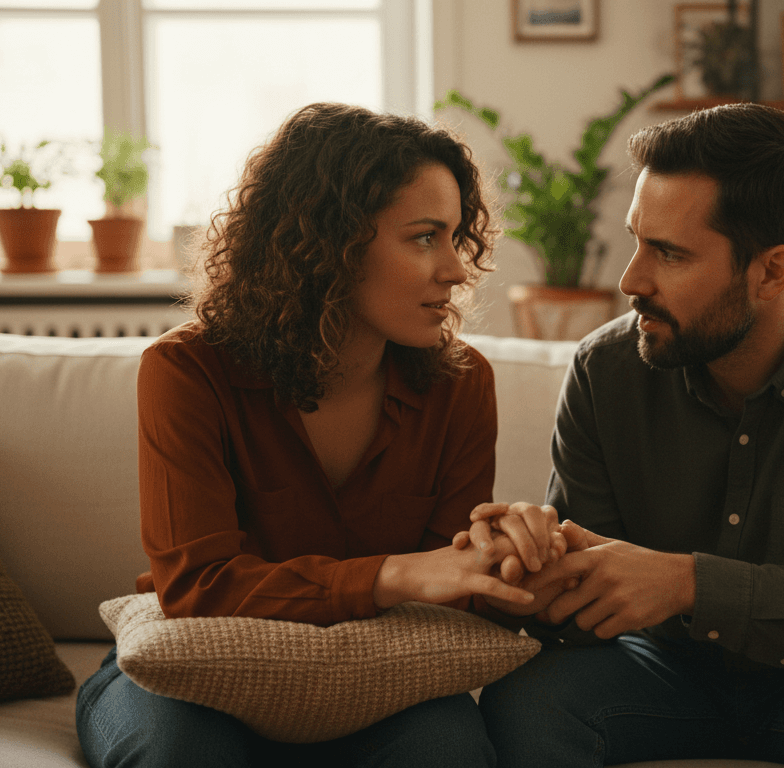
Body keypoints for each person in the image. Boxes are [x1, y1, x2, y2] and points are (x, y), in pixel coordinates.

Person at [474, 103, 784, 767]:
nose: (630, 281)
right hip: (663, 670)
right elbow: (581, 608)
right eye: (636, 240)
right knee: (528, 702)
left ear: (772, 271)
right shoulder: (606, 370)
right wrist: (534, 577)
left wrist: (690, 584)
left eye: (670, 254)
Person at [75, 103, 561, 768]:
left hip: (377, 677)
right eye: (424, 237)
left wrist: (513, 560)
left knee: (445, 751)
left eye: (456, 236)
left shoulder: (461, 382)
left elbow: (449, 591)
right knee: (181, 755)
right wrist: (393, 575)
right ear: (328, 244)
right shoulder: (187, 371)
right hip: (196, 676)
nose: (455, 268)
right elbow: (200, 587)